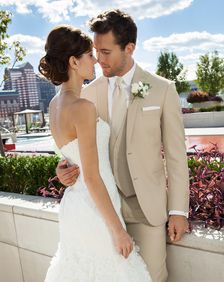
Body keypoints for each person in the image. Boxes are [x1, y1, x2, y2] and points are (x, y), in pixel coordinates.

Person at [56, 9, 189, 282]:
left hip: (146, 210)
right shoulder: (88, 93)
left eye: (105, 52)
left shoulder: (162, 89)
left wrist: (178, 211)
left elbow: (177, 157)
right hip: (101, 212)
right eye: (95, 51)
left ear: (129, 48)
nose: (97, 59)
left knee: (150, 278)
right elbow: (77, 144)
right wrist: (64, 169)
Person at [39, 25, 152, 282]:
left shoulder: (55, 104)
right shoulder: (82, 107)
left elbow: (71, 153)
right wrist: (117, 230)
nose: (96, 60)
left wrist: (62, 166)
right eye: (90, 55)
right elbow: (91, 176)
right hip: (95, 211)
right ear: (73, 62)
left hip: (76, 209)